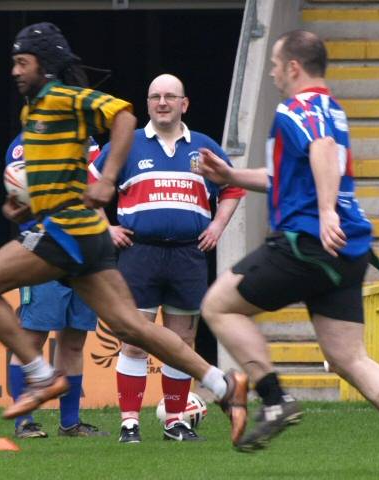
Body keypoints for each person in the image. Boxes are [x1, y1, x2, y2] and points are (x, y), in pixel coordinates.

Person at [0, 22, 248, 448]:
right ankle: (225, 386)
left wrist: (108, 178)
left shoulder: (64, 95)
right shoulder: (32, 110)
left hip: (67, 232)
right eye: (14, 62)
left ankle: (41, 377)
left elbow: (124, 115)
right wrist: (22, 205)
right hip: (82, 235)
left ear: (46, 64)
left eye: (23, 62)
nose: (15, 71)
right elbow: (56, 176)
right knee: (132, 328)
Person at [196, 30, 379, 474]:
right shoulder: (333, 108)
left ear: (293, 67)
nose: (271, 71)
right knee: (349, 358)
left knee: (217, 306)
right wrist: (230, 173)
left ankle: (274, 399)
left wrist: (325, 212)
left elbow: (322, 150)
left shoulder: (299, 107)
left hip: (308, 243)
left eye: (275, 62)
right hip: (349, 249)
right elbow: (286, 176)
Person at [90, 74, 245, 443]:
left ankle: (175, 421)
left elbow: (234, 186)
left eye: (170, 97)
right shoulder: (128, 145)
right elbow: (89, 184)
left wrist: (218, 227)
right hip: (138, 252)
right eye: (155, 97)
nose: (162, 102)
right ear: (147, 104)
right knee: (133, 339)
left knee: (182, 340)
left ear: (184, 104)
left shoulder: (204, 148)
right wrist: (106, 228)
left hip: (188, 254)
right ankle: (129, 422)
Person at [4, 134, 108, 439]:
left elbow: (94, 192)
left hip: (84, 250)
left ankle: (70, 423)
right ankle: (25, 420)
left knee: (74, 341)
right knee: (31, 337)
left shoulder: (90, 142)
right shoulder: (26, 141)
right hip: (45, 249)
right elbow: (21, 190)